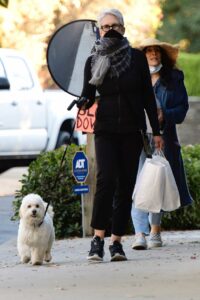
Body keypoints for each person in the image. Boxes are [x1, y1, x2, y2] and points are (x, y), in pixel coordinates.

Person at [80, 9, 163, 262]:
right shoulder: (92, 60)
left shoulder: (136, 59)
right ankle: (97, 240)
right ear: (99, 30)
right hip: (104, 129)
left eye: (115, 25)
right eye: (105, 27)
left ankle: (116, 242)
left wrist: (156, 132)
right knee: (105, 180)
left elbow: (148, 97)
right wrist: (84, 101)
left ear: (123, 29)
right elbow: (88, 94)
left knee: (126, 184)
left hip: (131, 129)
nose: (110, 30)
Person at [131, 38, 193, 250]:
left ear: (162, 55)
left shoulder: (174, 78)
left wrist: (163, 113)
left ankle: (155, 231)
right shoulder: (134, 78)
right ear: (143, 56)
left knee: (155, 182)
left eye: (157, 51)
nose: (153, 54)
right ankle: (139, 233)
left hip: (163, 138)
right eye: (149, 51)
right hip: (136, 137)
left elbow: (182, 110)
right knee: (138, 182)